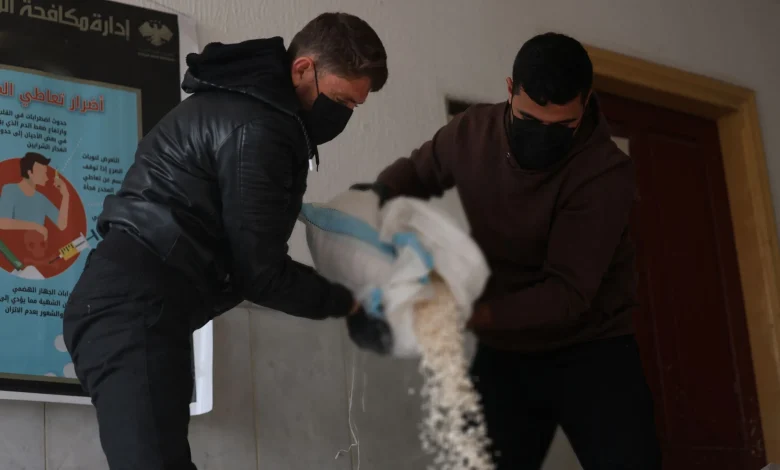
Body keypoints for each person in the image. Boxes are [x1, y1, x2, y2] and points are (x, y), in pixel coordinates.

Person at [62, 12, 388, 470]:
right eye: (340, 100)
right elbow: (262, 275)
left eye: (353, 106)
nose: (343, 116)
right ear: (302, 69)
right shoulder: (262, 127)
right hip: (133, 309)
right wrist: (348, 300)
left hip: (132, 306)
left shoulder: (244, 107)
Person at [355, 33, 662, 469]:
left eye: (562, 127)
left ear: (586, 102)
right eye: (529, 119)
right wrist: (372, 205)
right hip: (505, 351)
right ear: (510, 89)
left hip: (592, 349)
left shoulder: (604, 173)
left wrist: (462, 312)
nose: (543, 137)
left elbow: (567, 293)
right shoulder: (472, 132)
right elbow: (417, 172)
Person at [0, 152, 70, 239]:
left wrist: (66, 194)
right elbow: (3, 222)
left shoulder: (41, 199)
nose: (46, 178)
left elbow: (62, 225)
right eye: (43, 173)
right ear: (30, 173)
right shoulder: (9, 190)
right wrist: (36, 226)